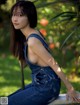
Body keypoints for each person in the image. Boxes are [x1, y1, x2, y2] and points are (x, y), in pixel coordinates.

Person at [8, 0, 80, 105]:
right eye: (14, 15)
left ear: (29, 17)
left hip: (47, 88)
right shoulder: (32, 34)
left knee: (8, 102)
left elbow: (54, 64)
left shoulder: (32, 41)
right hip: (40, 84)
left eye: (20, 15)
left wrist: (70, 88)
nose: (15, 19)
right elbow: (37, 61)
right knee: (5, 100)